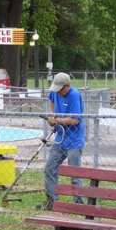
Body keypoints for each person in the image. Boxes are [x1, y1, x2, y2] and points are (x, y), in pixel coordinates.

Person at [41, 72, 85, 210]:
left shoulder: (74, 95)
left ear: (68, 86)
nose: (58, 92)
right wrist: (53, 116)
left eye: (61, 89)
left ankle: (79, 204)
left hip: (74, 140)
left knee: (74, 173)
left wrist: (57, 120)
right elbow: (52, 100)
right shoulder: (54, 93)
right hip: (60, 138)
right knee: (50, 168)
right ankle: (53, 202)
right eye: (57, 89)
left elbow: (75, 119)